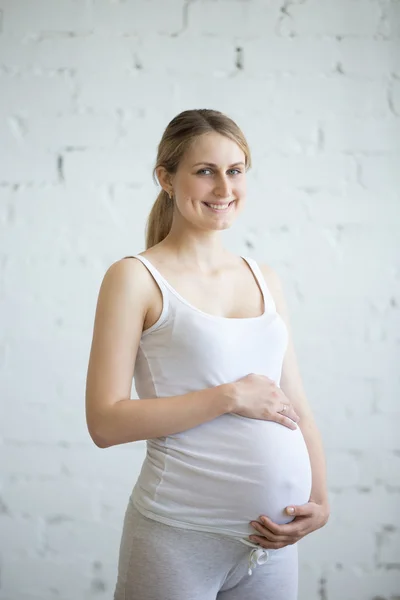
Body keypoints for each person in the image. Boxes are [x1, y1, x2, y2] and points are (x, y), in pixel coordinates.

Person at [85, 108, 330, 600]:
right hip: (177, 539)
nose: (224, 188)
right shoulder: (135, 278)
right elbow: (105, 424)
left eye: (235, 170)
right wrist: (228, 397)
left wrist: (320, 500)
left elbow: (295, 403)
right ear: (166, 179)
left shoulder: (264, 279)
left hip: (273, 545)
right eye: (205, 171)